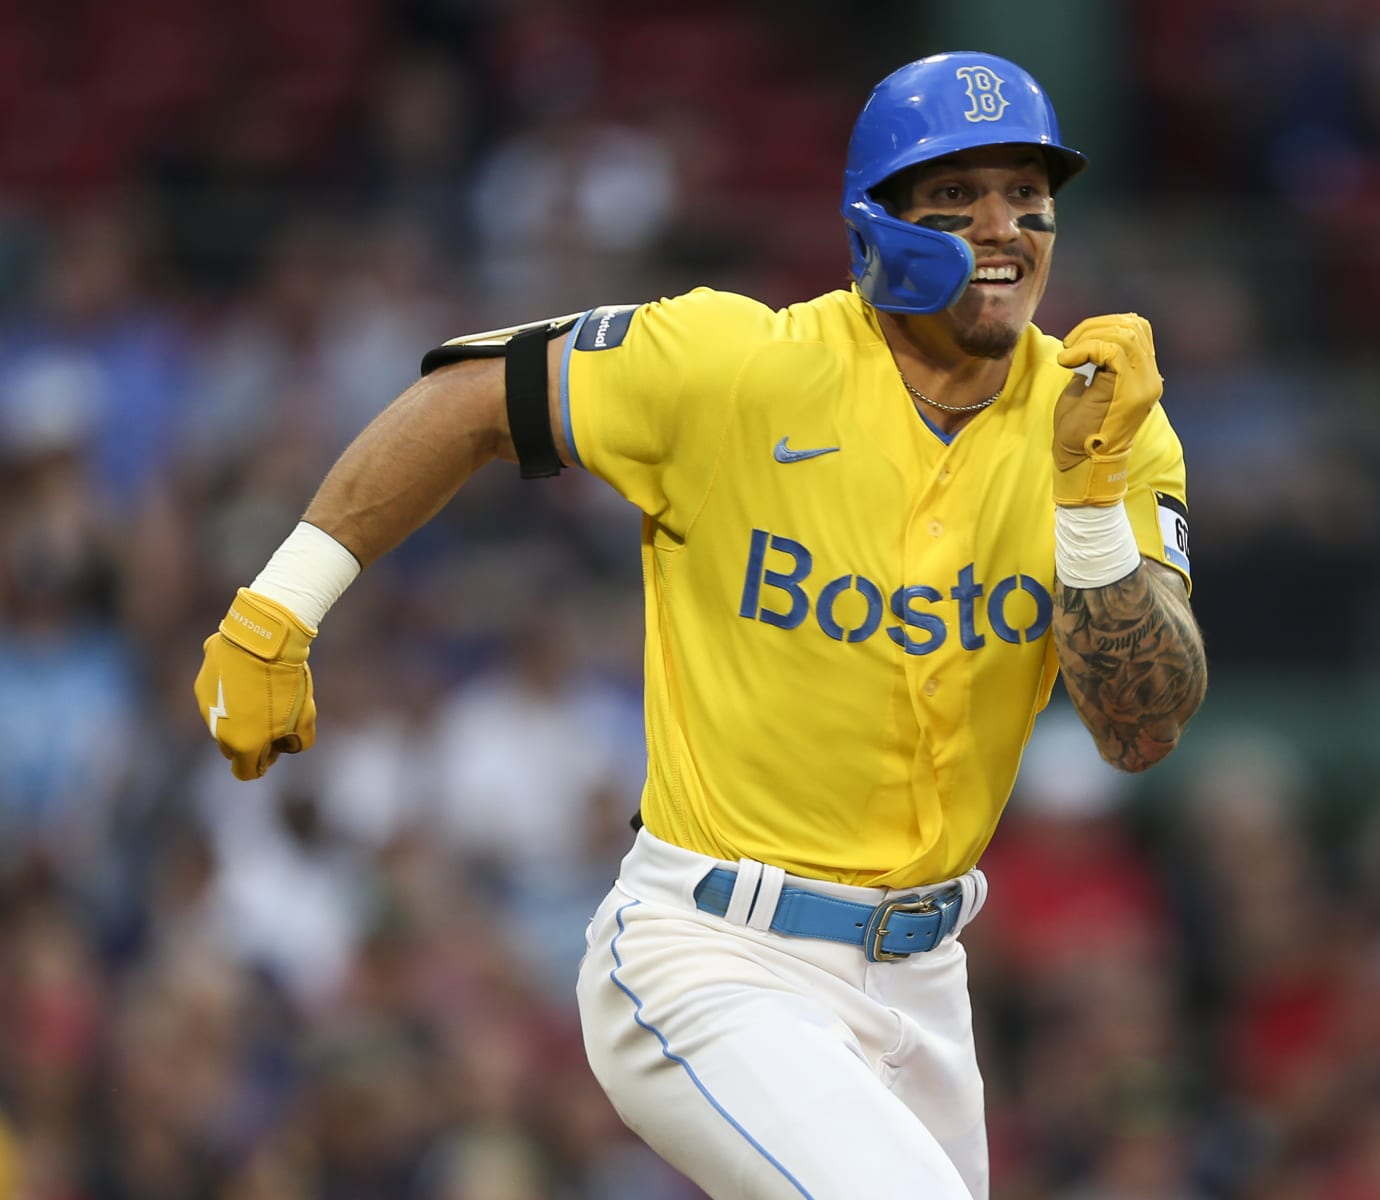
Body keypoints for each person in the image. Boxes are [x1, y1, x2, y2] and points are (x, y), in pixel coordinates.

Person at [194, 50, 1206, 1199]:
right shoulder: (737, 366)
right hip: (715, 946)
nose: (1005, 226)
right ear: (877, 224)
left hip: (924, 980)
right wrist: (279, 607)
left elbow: (1142, 728)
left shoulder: (1101, 422)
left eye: (1029, 196)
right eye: (958, 197)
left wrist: (1087, 511)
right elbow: (469, 401)